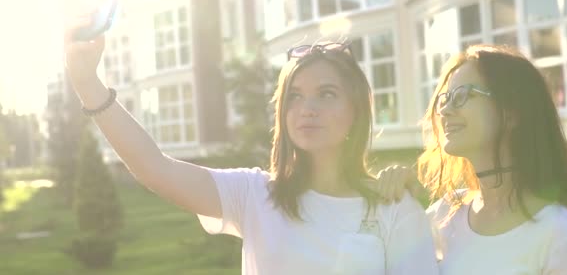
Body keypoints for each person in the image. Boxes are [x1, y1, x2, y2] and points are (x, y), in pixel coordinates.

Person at [64, 30, 439, 274]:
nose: (307, 108)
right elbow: (154, 168)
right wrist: (87, 84)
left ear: (357, 110)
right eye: (295, 96)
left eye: (326, 94)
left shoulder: (396, 211)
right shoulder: (255, 195)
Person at [377, 45, 567, 274]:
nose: (444, 111)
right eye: (445, 99)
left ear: (512, 112)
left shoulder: (563, 236)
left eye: (463, 95)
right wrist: (400, 203)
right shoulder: (443, 215)